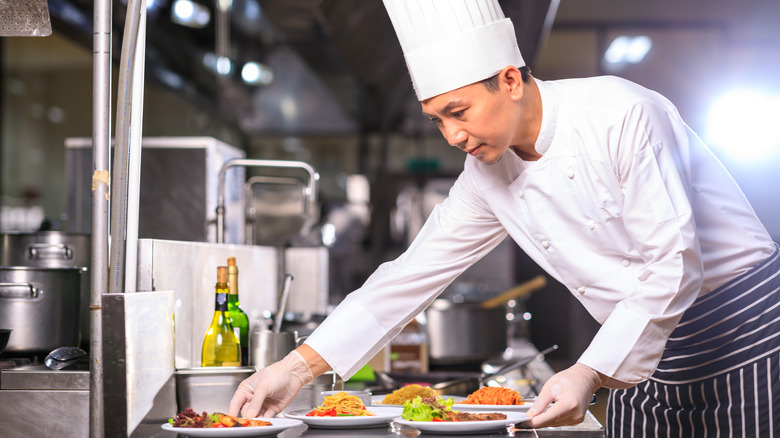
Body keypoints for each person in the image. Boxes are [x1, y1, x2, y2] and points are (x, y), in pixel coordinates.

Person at [230, 1, 780, 435]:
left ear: (510, 80)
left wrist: (587, 371)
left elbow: (675, 261)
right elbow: (406, 278)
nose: (452, 136)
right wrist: (292, 370)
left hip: (740, 333)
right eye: (436, 119)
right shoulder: (486, 178)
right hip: (637, 358)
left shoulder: (622, 113)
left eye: (458, 112)